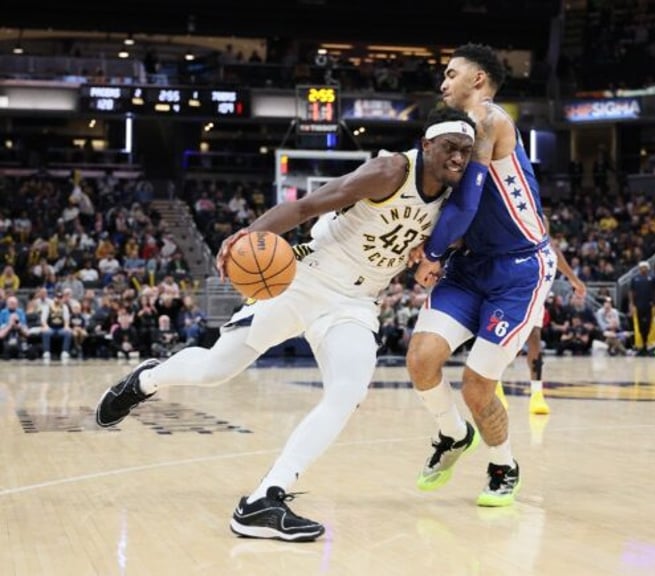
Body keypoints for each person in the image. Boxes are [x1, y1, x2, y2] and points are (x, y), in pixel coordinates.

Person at [94, 107, 476, 542]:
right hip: (305, 279)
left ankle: (264, 499)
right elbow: (309, 205)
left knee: (348, 392)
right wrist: (246, 235)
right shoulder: (391, 170)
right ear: (427, 144)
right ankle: (147, 380)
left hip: (355, 303)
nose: (458, 158)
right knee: (216, 370)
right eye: (450, 147)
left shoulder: (456, 201)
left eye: (466, 150)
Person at [406, 43, 553, 507]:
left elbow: (468, 204)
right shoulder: (450, 135)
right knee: (421, 359)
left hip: (519, 269)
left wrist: (430, 253)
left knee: (476, 385)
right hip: (471, 265)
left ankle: (503, 465)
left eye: (451, 74)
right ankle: (453, 435)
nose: (443, 82)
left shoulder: (490, 121)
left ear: (479, 81)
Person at [495, 216, 587, 415]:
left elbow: (557, 254)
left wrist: (575, 280)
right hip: (508, 289)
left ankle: (537, 394)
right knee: (503, 341)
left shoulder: (545, 237)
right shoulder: (511, 227)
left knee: (534, 338)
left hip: (534, 291)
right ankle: (496, 386)